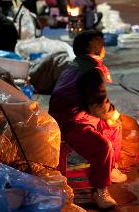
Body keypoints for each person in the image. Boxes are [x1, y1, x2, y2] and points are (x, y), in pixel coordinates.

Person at [49, 31, 127, 209]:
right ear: (100, 49)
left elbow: (92, 100)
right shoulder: (92, 70)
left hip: (73, 116)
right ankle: (99, 191)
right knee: (103, 146)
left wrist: (111, 115)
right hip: (70, 123)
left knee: (114, 124)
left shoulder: (76, 65)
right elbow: (97, 106)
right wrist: (112, 113)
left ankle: (110, 168)